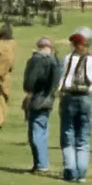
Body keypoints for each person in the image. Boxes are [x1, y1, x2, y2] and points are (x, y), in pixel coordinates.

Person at [59, 29, 92, 183]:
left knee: (68, 135)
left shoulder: (68, 58)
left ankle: (70, 169)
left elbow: (63, 79)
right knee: (83, 137)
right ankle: (81, 172)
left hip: (69, 97)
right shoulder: (90, 60)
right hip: (84, 98)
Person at [22, 37, 61, 174]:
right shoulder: (55, 61)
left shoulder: (36, 60)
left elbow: (29, 84)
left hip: (37, 98)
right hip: (49, 99)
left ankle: (41, 164)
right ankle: (43, 163)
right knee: (43, 131)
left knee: (36, 132)